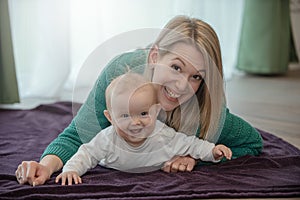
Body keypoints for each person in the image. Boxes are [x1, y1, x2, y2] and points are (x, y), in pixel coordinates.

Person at [15, 15, 263, 186]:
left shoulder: (206, 109)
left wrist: (194, 159)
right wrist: (45, 167)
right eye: (176, 67)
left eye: (196, 76)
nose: (182, 85)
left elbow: (252, 142)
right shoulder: (119, 80)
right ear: (155, 56)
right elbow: (77, 137)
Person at [55, 73, 232, 185]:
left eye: (143, 113)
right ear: (110, 118)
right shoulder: (108, 139)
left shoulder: (163, 135)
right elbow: (86, 153)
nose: (135, 122)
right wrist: (71, 170)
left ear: (155, 111)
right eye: (125, 116)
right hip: (112, 166)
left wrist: (213, 151)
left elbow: (191, 144)